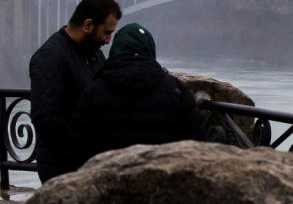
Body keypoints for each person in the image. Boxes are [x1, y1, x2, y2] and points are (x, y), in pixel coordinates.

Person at [69, 23, 205, 167]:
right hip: (163, 182)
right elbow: (198, 144)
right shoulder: (176, 90)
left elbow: (76, 148)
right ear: (150, 49)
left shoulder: (94, 91)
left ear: (116, 50)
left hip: (107, 182)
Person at [30, 0, 121, 182]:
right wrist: (87, 138)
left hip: (86, 162)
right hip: (61, 166)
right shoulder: (50, 57)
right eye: (106, 32)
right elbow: (45, 117)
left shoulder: (94, 55)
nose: (108, 40)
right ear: (88, 25)